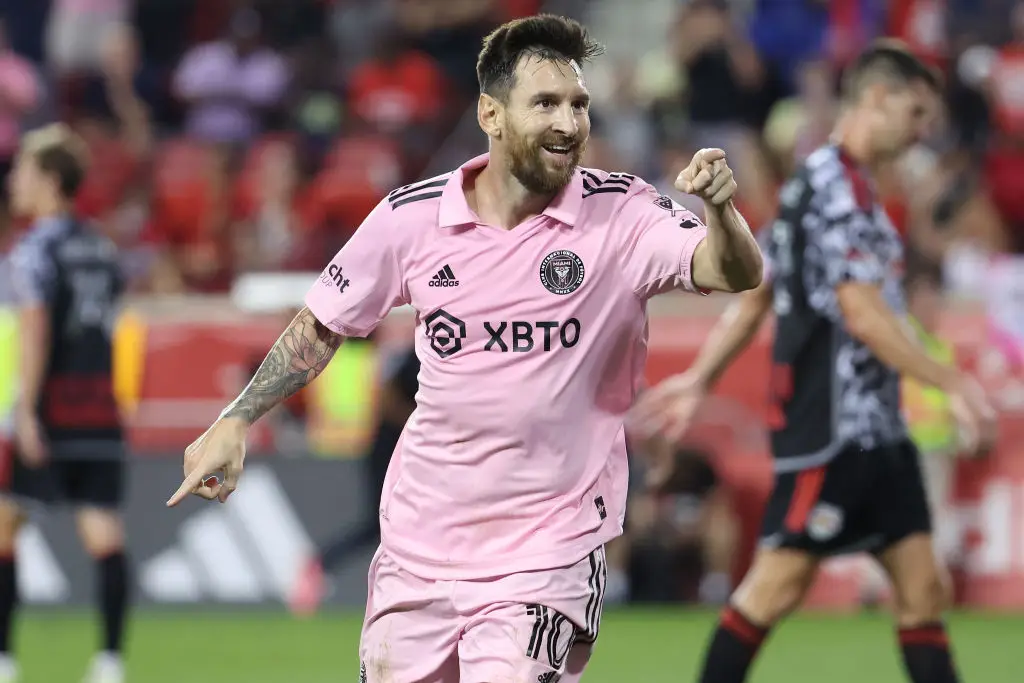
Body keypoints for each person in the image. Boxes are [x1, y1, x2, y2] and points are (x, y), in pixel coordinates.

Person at [167, 14, 763, 683]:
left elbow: (731, 270)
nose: (568, 122)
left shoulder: (622, 211)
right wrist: (237, 418)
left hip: (549, 548)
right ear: (491, 113)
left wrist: (721, 211)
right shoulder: (413, 217)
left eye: (578, 104)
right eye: (545, 103)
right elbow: (323, 322)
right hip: (419, 546)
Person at [632, 40, 996, 683]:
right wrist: (950, 380)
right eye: (915, 113)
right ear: (877, 99)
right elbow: (859, 312)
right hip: (830, 430)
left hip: (878, 431)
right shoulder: (829, 187)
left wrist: (699, 377)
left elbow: (761, 293)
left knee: (921, 590)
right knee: (774, 587)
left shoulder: (850, 189)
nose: (922, 131)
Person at [0, 124, 128, 683]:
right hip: (100, 405)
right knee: (103, 531)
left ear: (50, 180)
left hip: (52, 405)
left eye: (23, 171)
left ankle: (3, 657)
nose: (14, 182)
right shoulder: (100, 247)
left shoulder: (35, 249)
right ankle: (111, 660)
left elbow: (37, 325)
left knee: (3, 523)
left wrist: (27, 408)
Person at [290, 344, 419, 615]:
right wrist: (425, 422)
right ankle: (320, 565)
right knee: (381, 524)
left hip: (411, 450)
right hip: (390, 449)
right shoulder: (424, 351)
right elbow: (388, 398)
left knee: (396, 525)